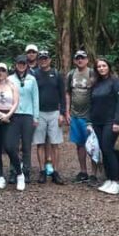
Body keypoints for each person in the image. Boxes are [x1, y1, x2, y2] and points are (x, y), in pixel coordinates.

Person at [89, 57, 119, 194]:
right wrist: (89, 122)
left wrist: (117, 121)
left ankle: (117, 181)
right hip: (98, 122)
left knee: (108, 148)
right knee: (103, 151)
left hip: (111, 122)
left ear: (108, 67)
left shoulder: (115, 82)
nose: (102, 68)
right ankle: (109, 179)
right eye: (99, 66)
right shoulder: (96, 83)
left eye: (104, 66)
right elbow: (92, 104)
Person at [32, 50, 66, 185]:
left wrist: (62, 113)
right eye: (41, 58)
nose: (43, 60)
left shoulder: (56, 74)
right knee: (40, 143)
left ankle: (56, 172)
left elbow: (62, 94)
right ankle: (42, 171)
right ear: (38, 60)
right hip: (39, 112)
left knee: (55, 143)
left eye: (45, 58)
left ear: (50, 60)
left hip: (54, 113)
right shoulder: (34, 75)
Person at [6, 54, 39, 189]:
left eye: (24, 63)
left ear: (27, 65)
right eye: (19, 63)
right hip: (13, 115)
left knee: (26, 145)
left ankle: (26, 171)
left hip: (27, 114)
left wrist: (35, 117)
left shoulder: (32, 79)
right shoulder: (9, 79)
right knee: (12, 146)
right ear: (15, 64)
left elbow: (35, 98)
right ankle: (14, 171)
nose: (21, 65)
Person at [66, 49, 98, 184]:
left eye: (82, 58)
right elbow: (67, 93)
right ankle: (83, 171)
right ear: (74, 60)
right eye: (77, 58)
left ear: (87, 60)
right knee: (79, 145)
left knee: (93, 145)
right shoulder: (71, 74)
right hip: (75, 115)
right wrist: (67, 112)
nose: (80, 60)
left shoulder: (92, 73)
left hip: (90, 116)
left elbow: (98, 92)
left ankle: (94, 174)